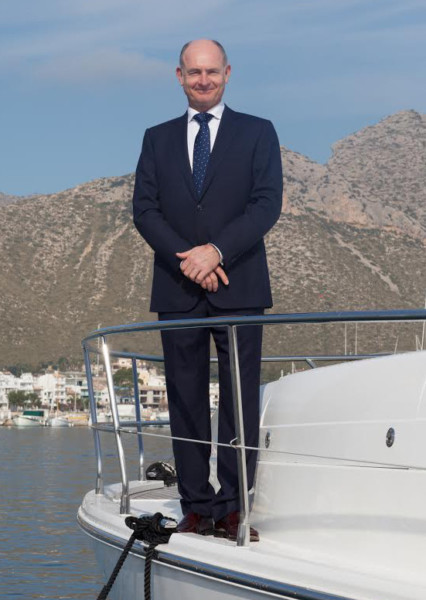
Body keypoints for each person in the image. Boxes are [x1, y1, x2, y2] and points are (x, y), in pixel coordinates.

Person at [133, 39, 283, 541]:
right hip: (178, 288)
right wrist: (191, 260)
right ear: (179, 75)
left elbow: (266, 204)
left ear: (227, 73)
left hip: (240, 286)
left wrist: (216, 252)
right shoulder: (156, 138)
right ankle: (197, 506)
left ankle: (235, 507)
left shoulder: (258, 132)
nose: (203, 80)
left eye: (212, 71)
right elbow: (144, 211)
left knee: (239, 399)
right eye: (194, 72)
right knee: (185, 399)